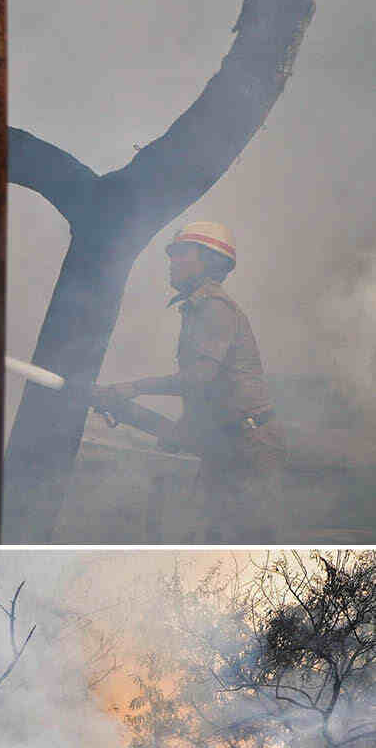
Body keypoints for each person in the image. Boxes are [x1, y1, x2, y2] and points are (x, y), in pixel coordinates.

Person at [95, 222, 285, 542]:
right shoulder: (198, 308)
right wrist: (178, 428)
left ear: (208, 262)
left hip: (249, 443)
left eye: (182, 254)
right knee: (212, 529)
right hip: (229, 440)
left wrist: (134, 388)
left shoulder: (213, 307)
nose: (173, 262)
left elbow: (199, 379)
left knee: (242, 535)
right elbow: (209, 392)